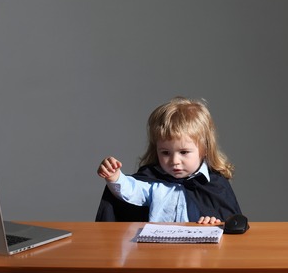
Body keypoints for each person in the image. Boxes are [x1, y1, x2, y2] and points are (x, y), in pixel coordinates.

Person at [97, 96, 242, 224]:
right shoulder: (153, 183)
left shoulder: (215, 186)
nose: (174, 161)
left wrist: (212, 222)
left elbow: (228, 224)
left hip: (197, 252)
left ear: (204, 149)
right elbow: (132, 191)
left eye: (184, 152)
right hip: (156, 251)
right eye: (166, 153)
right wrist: (115, 177)